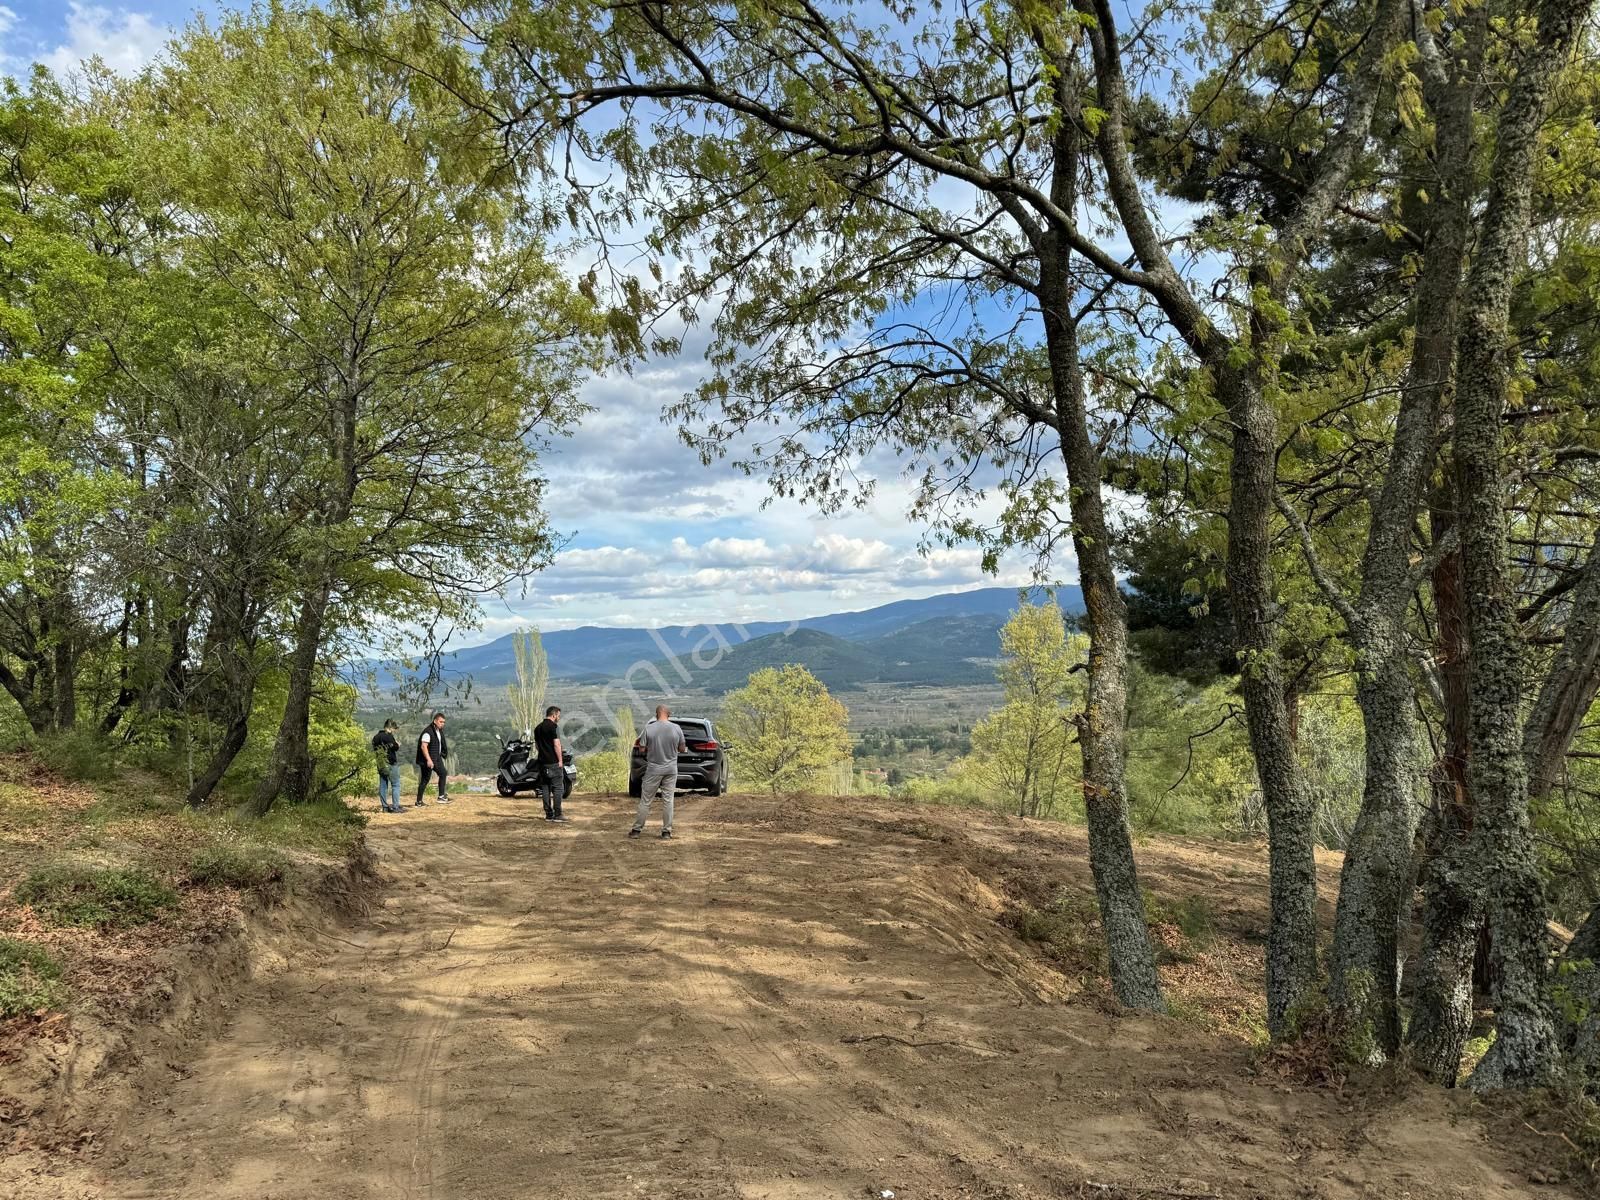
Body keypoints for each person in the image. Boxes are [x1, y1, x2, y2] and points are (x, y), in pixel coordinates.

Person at [630, 704, 686, 840]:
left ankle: (637, 830)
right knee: (668, 800)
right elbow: (682, 748)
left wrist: (651, 748)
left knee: (646, 800)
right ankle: (666, 831)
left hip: (653, 769)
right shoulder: (676, 728)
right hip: (671, 769)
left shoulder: (649, 728)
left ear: (656, 714)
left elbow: (641, 749)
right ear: (669, 714)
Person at [533, 705, 566, 821]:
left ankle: (548, 814)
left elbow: (537, 746)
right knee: (557, 788)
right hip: (553, 763)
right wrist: (560, 760)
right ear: (554, 714)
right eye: (558, 715)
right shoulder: (553, 727)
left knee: (545, 788)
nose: (559, 718)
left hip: (542, 763)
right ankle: (558, 815)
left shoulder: (537, 728)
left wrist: (543, 753)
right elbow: (557, 744)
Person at [416, 712, 451, 806]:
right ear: (435, 721)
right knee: (425, 780)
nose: (442, 724)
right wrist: (429, 760)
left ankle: (441, 797)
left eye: (443, 722)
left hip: (436, 757)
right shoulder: (427, 732)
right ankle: (419, 801)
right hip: (426, 760)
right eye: (441, 722)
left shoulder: (438, 731)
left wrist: (442, 753)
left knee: (443, 773)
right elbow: (423, 746)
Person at [371, 719, 402, 813]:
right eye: (394, 729)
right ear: (390, 727)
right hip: (391, 763)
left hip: (381, 763)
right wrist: (398, 744)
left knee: (383, 784)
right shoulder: (388, 736)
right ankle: (395, 807)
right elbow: (395, 747)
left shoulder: (376, 737)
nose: (394, 731)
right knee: (396, 784)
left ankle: (384, 807)